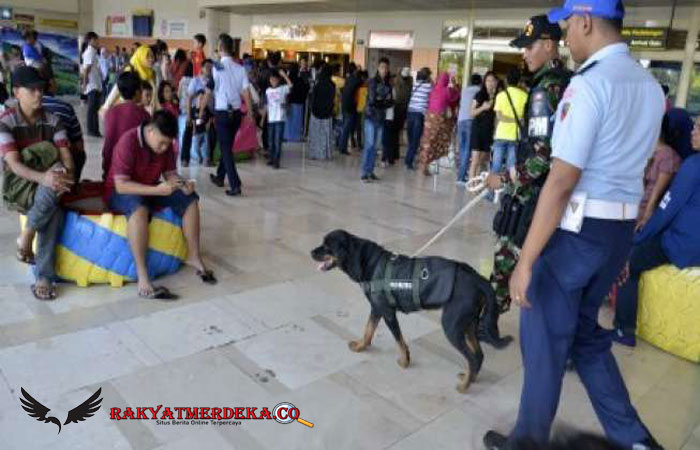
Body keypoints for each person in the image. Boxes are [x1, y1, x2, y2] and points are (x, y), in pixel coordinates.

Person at [483, 2, 665, 449]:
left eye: (567, 26)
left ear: (585, 21)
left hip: (577, 235)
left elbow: (562, 179)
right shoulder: (648, 86)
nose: (566, 37)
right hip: (617, 232)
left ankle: (526, 443)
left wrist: (525, 261)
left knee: (543, 341)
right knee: (587, 338)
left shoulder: (590, 85)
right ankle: (635, 440)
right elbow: (638, 169)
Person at [481, 14, 572, 344]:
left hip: (532, 199)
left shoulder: (543, 92)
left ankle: (486, 323)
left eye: (528, 47)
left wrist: (502, 178)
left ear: (548, 46)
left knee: (507, 259)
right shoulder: (567, 83)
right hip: (556, 200)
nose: (524, 54)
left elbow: (538, 159)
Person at [105, 111, 216, 299]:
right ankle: (143, 275)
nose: (164, 148)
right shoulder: (128, 142)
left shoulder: (165, 147)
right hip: (121, 192)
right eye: (162, 143)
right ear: (150, 131)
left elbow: (170, 175)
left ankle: (194, 256)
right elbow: (121, 185)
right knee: (139, 210)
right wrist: (158, 191)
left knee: (190, 199)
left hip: (149, 187)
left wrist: (182, 184)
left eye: (168, 144)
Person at [612, 110, 697, 347]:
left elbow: (667, 208)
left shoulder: (693, 165)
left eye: (699, 128)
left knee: (629, 261)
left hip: (683, 244)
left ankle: (623, 329)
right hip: (689, 238)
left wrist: (640, 238)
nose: (694, 131)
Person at [0, 66, 74, 300]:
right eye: (31, 90)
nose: (38, 94)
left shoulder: (54, 120)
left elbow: (67, 160)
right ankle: (41, 269)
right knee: (52, 195)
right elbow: (13, 165)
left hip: (50, 185)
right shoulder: (6, 122)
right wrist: (45, 177)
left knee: (54, 203)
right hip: (18, 186)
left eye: (40, 89)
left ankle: (30, 240)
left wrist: (63, 174)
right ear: (16, 92)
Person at [205, 34, 254, 197]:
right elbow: (246, 92)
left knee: (226, 149)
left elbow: (209, 91)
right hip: (237, 114)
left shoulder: (216, 67)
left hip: (222, 114)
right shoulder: (241, 68)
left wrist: (201, 109)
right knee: (227, 146)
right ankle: (220, 177)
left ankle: (235, 184)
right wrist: (251, 113)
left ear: (220, 48)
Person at [40, 66, 87, 182]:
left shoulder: (21, 108)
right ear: (51, 82)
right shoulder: (64, 107)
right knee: (80, 154)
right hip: (59, 160)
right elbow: (79, 144)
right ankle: (72, 183)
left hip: (33, 163)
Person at [102, 71, 150, 180]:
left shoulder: (110, 113)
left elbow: (107, 145)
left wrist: (106, 170)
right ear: (138, 92)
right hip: (132, 174)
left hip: (110, 170)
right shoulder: (144, 115)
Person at [419, 72, 459, 176]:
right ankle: (427, 165)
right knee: (438, 140)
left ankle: (424, 165)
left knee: (428, 141)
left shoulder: (433, 90)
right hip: (439, 119)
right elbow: (456, 96)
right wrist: (454, 85)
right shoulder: (447, 91)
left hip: (429, 118)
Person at [491, 68, 528, 177]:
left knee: (496, 166)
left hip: (501, 134)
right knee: (511, 167)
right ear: (519, 81)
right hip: (515, 136)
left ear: (506, 80)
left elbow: (499, 117)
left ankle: (492, 192)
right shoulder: (524, 96)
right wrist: (517, 120)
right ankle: (509, 191)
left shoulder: (500, 96)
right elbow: (525, 118)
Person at [362, 57, 393, 182]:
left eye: (386, 68)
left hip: (380, 118)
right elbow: (373, 101)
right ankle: (364, 172)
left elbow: (391, 102)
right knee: (369, 145)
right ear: (378, 68)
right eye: (382, 67)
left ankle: (371, 171)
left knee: (376, 147)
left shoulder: (388, 84)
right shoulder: (372, 82)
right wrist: (383, 101)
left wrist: (383, 100)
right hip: (370, 117)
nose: (384, 70)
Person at [101, 45, 156, 115]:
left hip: (144, 111)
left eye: (152, 56)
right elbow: (117, 88)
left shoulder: (150, 73)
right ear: (141, 57)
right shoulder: (130, 71)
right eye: (148, 57)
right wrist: (106, 106)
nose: (151, 59)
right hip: (128, 110)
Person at [468, 71, 498, 181]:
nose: (490, 83)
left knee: (482, 161)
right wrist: (483, 108)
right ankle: (472, 184)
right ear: (484, 82)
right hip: (478, 130)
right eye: (488, 80)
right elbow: (471, 112)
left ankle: (476, 181)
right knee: (475, 160)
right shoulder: (480, 95)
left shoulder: (497, 97)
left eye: (493, 81)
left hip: (489, 131)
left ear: (496, 82)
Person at [185, 59, 213, 167]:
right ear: (201, 68)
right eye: (207, 66)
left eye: (211, 67)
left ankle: (207, 158)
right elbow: (189, 98)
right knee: (190, 133)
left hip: (209, 113)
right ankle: (186, 158)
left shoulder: (214, 81)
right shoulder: (195, 81)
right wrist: (188, 116)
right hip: (195, 112)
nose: (209, 69)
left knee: (208, 138)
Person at [456, 74, 482, 183]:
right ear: (480, 81)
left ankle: (462, 174)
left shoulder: (465, 90)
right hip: (470, 121)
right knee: (467, 150)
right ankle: (461, 177)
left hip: (461, 120)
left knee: (462, 149)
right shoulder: (479, 91)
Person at [405, 67, 433, 170]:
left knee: (411, 138)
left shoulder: (414, 85)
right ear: (427, 76)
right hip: (419, 115)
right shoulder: (428, 86)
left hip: (410, 112)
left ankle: (408, 159)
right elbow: (433, 92)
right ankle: (409, 161)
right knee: (415, 140)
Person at [265, 69, 293, 169]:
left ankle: (276, 160)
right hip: (271, 119)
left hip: (280, 118)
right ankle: (272, 158)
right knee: (271, 140)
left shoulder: (282, 89)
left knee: (277, 140)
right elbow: (267, 105)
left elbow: (290, 85)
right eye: (271, 80)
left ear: (278, 80)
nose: (273, 81)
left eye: (275, 79)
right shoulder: (267, 91)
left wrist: (284, 75)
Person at [308, 65, 336, 161]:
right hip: (327, 114)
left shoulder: (317, 85)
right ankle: (325, 154)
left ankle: (315, 153)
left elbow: (313, 98)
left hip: (316, 113)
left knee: (316, 134)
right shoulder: (332, 85)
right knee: (325, 134)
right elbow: (332, 99)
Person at [81, 32, 102, 137]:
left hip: (95, 84)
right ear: (90, 40)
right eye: (96, 39)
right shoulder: (90, 52)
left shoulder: (93, 52)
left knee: (94, 109)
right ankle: (91, 130)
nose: (98, 41)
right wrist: (84, 83)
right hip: (92, 84)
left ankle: (95, 130)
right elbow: (86, 70)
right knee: (91, 109)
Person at [339, 63, 362, 154]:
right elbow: (362, 82)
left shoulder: (347, 79)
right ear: (355, 70)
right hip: (351, 107)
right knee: (347, 128)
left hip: (344, 106)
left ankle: (342, 146)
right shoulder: (355, 80)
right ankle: (343, 148)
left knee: (345, 127)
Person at [285, 63, 308, 143]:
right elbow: (305, 89)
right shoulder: (300, 79)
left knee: (288, 120)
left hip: (288, 102)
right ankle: (295, 137)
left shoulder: (287, 79)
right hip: (298, 103)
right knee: (297, 120)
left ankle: (287, 136)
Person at [178, 62, 195, 167]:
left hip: (183, 107)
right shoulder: (194, 80)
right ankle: (190, 156)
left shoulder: (182, 80)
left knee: (184, 131)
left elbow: (179, 93)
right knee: (190, 132)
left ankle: (184, 157)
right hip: (192, 108)